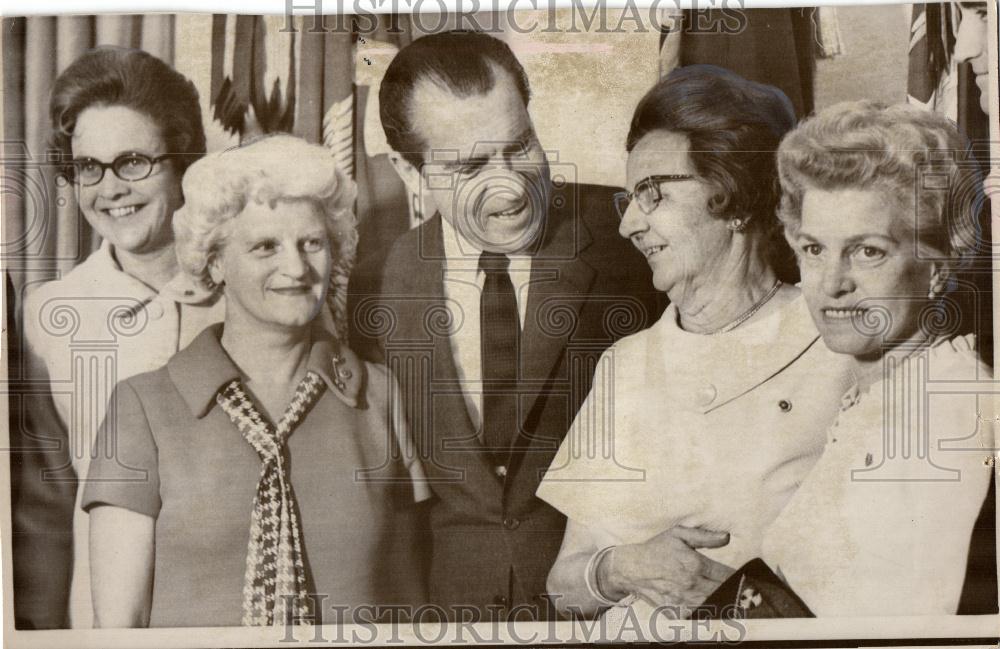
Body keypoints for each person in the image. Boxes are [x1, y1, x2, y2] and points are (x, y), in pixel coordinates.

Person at [356, 30, 663, 620]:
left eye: (520, 147)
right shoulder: (378, 284)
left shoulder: (631, 238)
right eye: (471, 165)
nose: (510, 186)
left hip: (615, 613)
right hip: (451, 619)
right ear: (408, 169)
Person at [535, 66, 854, 633]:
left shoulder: (836, 342)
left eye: (652, 193)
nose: (630, 224)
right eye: (629, 199)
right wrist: (622, 568)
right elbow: (565, 588)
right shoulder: (626, 365)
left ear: (732, 195)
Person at [81, 135, 429, 627]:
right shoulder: (141, 407)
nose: (296, 267)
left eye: (312, 243)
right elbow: (118, 628)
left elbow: (411, 607)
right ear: (216, 261)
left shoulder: (378, 394)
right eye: (266, 246)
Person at [757, 101, 993, 616]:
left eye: (868, 251)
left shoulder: (949, 411)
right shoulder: (883, 391)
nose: (832, 284)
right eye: (814, 249)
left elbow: (907, 634)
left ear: (938, 262)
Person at [17, 46, 220, 628]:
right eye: (88, 167)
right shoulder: (45, 319)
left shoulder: (254, 298)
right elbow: (38, 519)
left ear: (182, 160)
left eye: (133, 162)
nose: (110, 189)